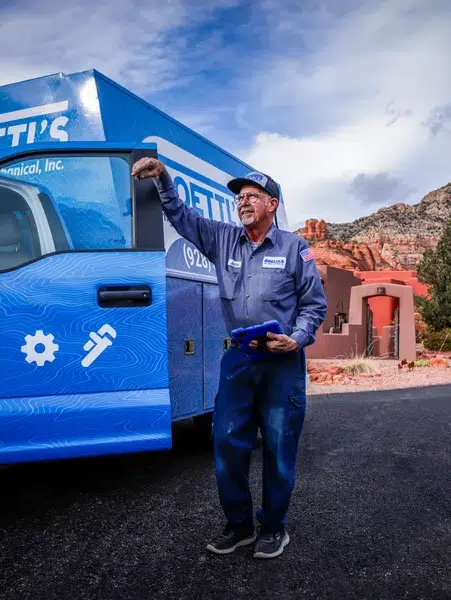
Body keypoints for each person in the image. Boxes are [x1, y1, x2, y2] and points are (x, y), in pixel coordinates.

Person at [132, 157, 327, 559]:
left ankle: (273, 528)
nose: (243, 202)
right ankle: (238, 525)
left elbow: (314, 305)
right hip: (239, 360)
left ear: (272, 204)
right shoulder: (222, 239)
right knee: (226, 443)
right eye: (239, 197)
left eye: (252, 196)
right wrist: (164, 179)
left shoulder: (294, 248)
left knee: (278, 448)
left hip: (282, 365)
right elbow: (182, 218)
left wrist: (297, 338)